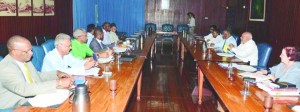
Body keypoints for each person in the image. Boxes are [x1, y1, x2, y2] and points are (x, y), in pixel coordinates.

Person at [0, 35, 73, 108]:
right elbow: (24, 89)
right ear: (14, 52)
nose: (31, 53)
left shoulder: (25, 60)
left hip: (33, 97)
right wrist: (58, 83)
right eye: (27, 51)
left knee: (68, 96)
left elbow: (38, 76)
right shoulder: (6, 68)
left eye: (31, 50)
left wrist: (57, 73)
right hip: (16, 105)